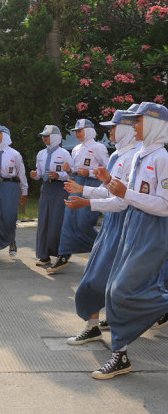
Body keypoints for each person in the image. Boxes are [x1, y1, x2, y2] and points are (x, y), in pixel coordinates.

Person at [68, 102, 168, 379]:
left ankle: (121, 349)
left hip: (152, 228)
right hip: (133, 225)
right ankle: (120, 355)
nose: (133, 126)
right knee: (114, 291)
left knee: (122, 291)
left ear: (155, 124)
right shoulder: (140, 156)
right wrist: (111, 184)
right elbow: (125, 198)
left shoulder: (161, 158)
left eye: (138, 121)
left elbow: (164, 205)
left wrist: (122, 193)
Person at [64, 109, 138, 346]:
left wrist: (87, 201)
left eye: (114, 127)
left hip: (124, 222)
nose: (111, 132)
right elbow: (110, 190)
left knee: (102, 279)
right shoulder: (118, 155)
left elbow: (121, 200)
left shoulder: (135, 157)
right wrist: (83, 189)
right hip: (112, 221)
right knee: (99, 276)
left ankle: (107, 331)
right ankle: (94, 324)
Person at [49, 119, 109, 274]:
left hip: (93, 185)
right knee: (68, 219)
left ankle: (105, 248)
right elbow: (75, 171)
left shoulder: (99, 147)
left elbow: (108, 170)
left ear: (88, 131)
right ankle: (63, 255)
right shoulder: (76, 149)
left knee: (83, 222)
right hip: (77, 184)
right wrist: (70, 171)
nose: (77, 134)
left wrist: (89, 172)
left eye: (79, 131)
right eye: (76, 131)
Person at [30, 125, 73, 266]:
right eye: (43, 136)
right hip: (46, 188)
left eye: (47, 136)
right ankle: (44, 256)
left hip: (60, 188)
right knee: (43, 222)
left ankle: (61, 254)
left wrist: (59, 175)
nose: (44, 139)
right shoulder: (41, 154)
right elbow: (40, 172)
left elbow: (71, 173)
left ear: (55, 137)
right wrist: (35, 175)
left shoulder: (64, 153)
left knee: (56, 222)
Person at [0, 126, 28, 263]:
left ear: (6, 135)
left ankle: (11, 241)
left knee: (9, 219)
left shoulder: (15, 154)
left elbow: (21, 173)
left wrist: (25, 190)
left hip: (10, 187)